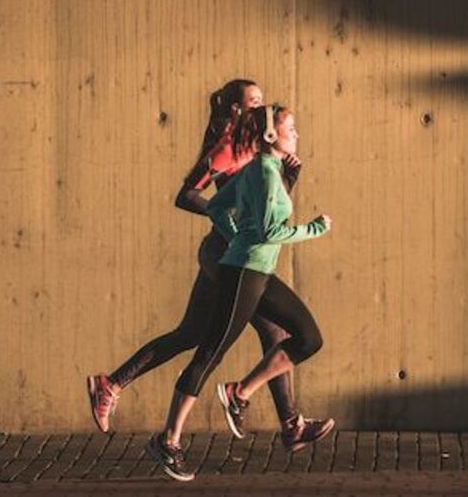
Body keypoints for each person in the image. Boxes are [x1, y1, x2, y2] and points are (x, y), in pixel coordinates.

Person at [85, 82, 330, 468]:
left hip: (241, 254)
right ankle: (277, 420)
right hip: (226, 254)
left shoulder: (261, 151)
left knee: (195, 333)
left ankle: (112, 384)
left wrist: (288, 181)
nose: (261, 107)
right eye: (253, 102)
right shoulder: (229, 149)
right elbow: (189, 196)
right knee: (266, 335)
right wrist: (238, 224)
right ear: (234, 110)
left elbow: (271, 207)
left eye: (262, 102)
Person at [144, 104, 332, 481]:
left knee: (309, 338)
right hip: (244, 274)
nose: (296, 133)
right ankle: (168, 440)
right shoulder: (262, 172)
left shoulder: (265, 170)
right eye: (289, 128)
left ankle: (240, 391)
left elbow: (216, 207)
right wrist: (315, 228)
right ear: (269, 136)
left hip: (254, 269)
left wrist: (236, 239)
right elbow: (268, 233)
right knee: (209, 353)